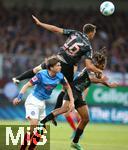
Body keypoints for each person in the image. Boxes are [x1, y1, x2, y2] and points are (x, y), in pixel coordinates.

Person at [12, 15, 103, 125]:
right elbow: (88, 66)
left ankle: (18, 78)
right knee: (66, 89)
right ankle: (54, 113)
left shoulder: (75, 33)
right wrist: (99, 71)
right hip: (67, 66)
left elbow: (56, 29)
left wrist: (41, 24)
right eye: (94, 33)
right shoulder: (88, 46)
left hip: (57, 60)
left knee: (37, 69)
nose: (94, 35)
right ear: (91, 33)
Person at [40, 50, 118, 150]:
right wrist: (102, 80)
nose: (104, 66)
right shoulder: (91, 68)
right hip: (72, 89)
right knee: (64, 109)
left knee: (85, 118)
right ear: (98, 63)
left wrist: (109, 85)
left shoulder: (97, 71)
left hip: (79, 93)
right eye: (103, 64)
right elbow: (91, 79)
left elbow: (99, 80)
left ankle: (75, 142)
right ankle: (42, 122)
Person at [13, 55, 74, 150]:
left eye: (60, 65)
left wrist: (72, 101)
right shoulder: (41, 75)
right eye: (58, 65)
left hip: (42, 103)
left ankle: (31, 148)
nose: (60, 67)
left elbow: (68, 87)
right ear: (51, 67)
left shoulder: (60, 76)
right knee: (34, 124)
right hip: (33, 100)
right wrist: (19, 97)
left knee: (41, 129)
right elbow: (27, 85)